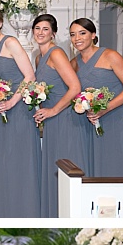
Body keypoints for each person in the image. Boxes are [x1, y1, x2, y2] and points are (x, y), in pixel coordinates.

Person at [0, 6, 41, 217]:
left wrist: (13, 100)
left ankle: (25, 209)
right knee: (5, 160)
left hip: (19, 109)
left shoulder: (11, 43)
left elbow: (30, 75)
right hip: (2, 111)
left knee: (19, 159)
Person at [69, 16, 123, 178]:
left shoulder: (110, 56)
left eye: (82, 33)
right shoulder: (73, 64)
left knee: (122, 168)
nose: (77, 38)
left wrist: (105, 108)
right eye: (73, 34)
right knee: (102, 170)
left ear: (93, 35)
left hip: (121, 120)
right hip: (94, 123)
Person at [30, 13, 89, 218]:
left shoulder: (56, 54)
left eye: (45, 29)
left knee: (68, 167)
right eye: (37, 28)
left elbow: (75, 87)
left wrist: (54, 110)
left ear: (53, 33)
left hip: (64, 118)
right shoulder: (39, 58)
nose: (41, 32)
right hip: (50, 121)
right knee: (55, 168)